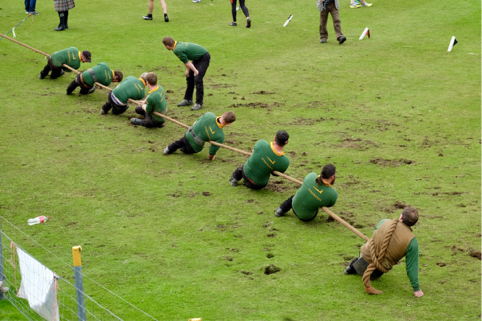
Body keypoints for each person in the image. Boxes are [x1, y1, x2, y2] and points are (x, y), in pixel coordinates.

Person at [343, 206, 424, 297]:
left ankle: (350, 268)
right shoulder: (412, 242)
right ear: (413, 224)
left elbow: (374, 235)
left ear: (400, 217)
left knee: (367, 248)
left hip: (363, 258)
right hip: (375, 274)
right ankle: (353, 268)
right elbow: (411, 267)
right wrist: (416, 289)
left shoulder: (384, 221)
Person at [162, 36, 211, 111]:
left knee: (198, 79)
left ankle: (199, 103)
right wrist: (188, 70)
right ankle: (188, 100)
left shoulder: (177, 50)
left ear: (167, 46)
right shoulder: (176, 44)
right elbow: (185, 60)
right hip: (197, 58)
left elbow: (187, 61)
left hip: (203, 58)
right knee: (189, 77)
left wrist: (195, 71)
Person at [163, 111, 236, 160]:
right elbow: (211, 152)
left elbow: (195, 122)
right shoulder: (220, 136)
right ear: (229, 123)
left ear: (223, 114)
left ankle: (168, 149)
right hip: (194, 147)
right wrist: (211, 158)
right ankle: (183, 149)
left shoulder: (209, 114)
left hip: (188, 134)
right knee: (187, 149)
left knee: (180, 142)